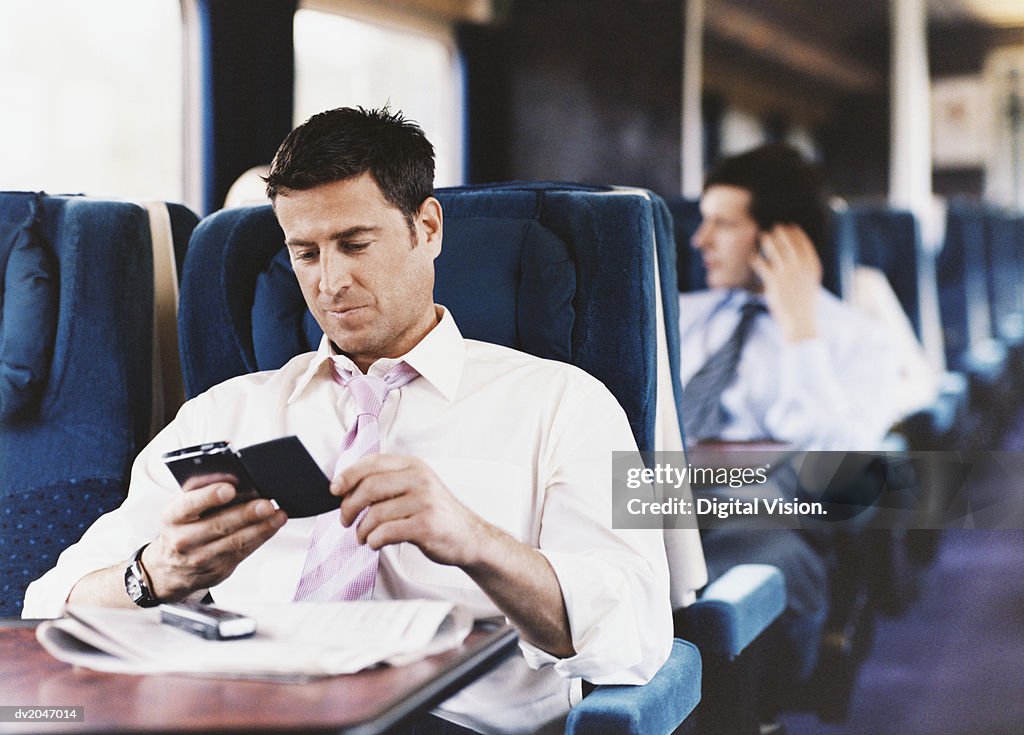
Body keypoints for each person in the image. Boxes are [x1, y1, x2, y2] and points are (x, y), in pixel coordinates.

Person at [23, 107, 672, 735]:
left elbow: (640, 628)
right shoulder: (225, 412)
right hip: (245, 710)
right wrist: (157, 572)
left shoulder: (572, 402)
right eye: (305, 253)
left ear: (429, 228)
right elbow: (51, 604)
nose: (330, 281)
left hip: (453, 720)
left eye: (355, 243)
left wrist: (477, 542)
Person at [678, 144, 902, 699]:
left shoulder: (857, 339)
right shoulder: (679, 314)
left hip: (768, 527)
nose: (699, 241)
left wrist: (800, 328)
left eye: (722, 225)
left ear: (783, 239)